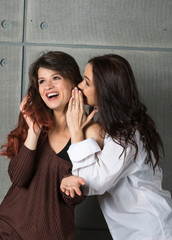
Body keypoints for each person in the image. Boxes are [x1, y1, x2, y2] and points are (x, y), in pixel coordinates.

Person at [61, 54, 172, 240]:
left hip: (151, 229)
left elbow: (93, 184)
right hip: (135, 229)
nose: (79, 86)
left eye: (87, 83)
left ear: (105, 91)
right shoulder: (113, 127)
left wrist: (76, 133)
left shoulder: (127, 134)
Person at [0, 51, 101, 240]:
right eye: (42, 81)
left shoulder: (92, 132)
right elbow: (18, 178)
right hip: (7, 227)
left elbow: (75, 198)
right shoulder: (34, 121)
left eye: (56, 77)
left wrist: (77, 134)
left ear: (74, 83)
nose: (48, 86)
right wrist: (33, 133)